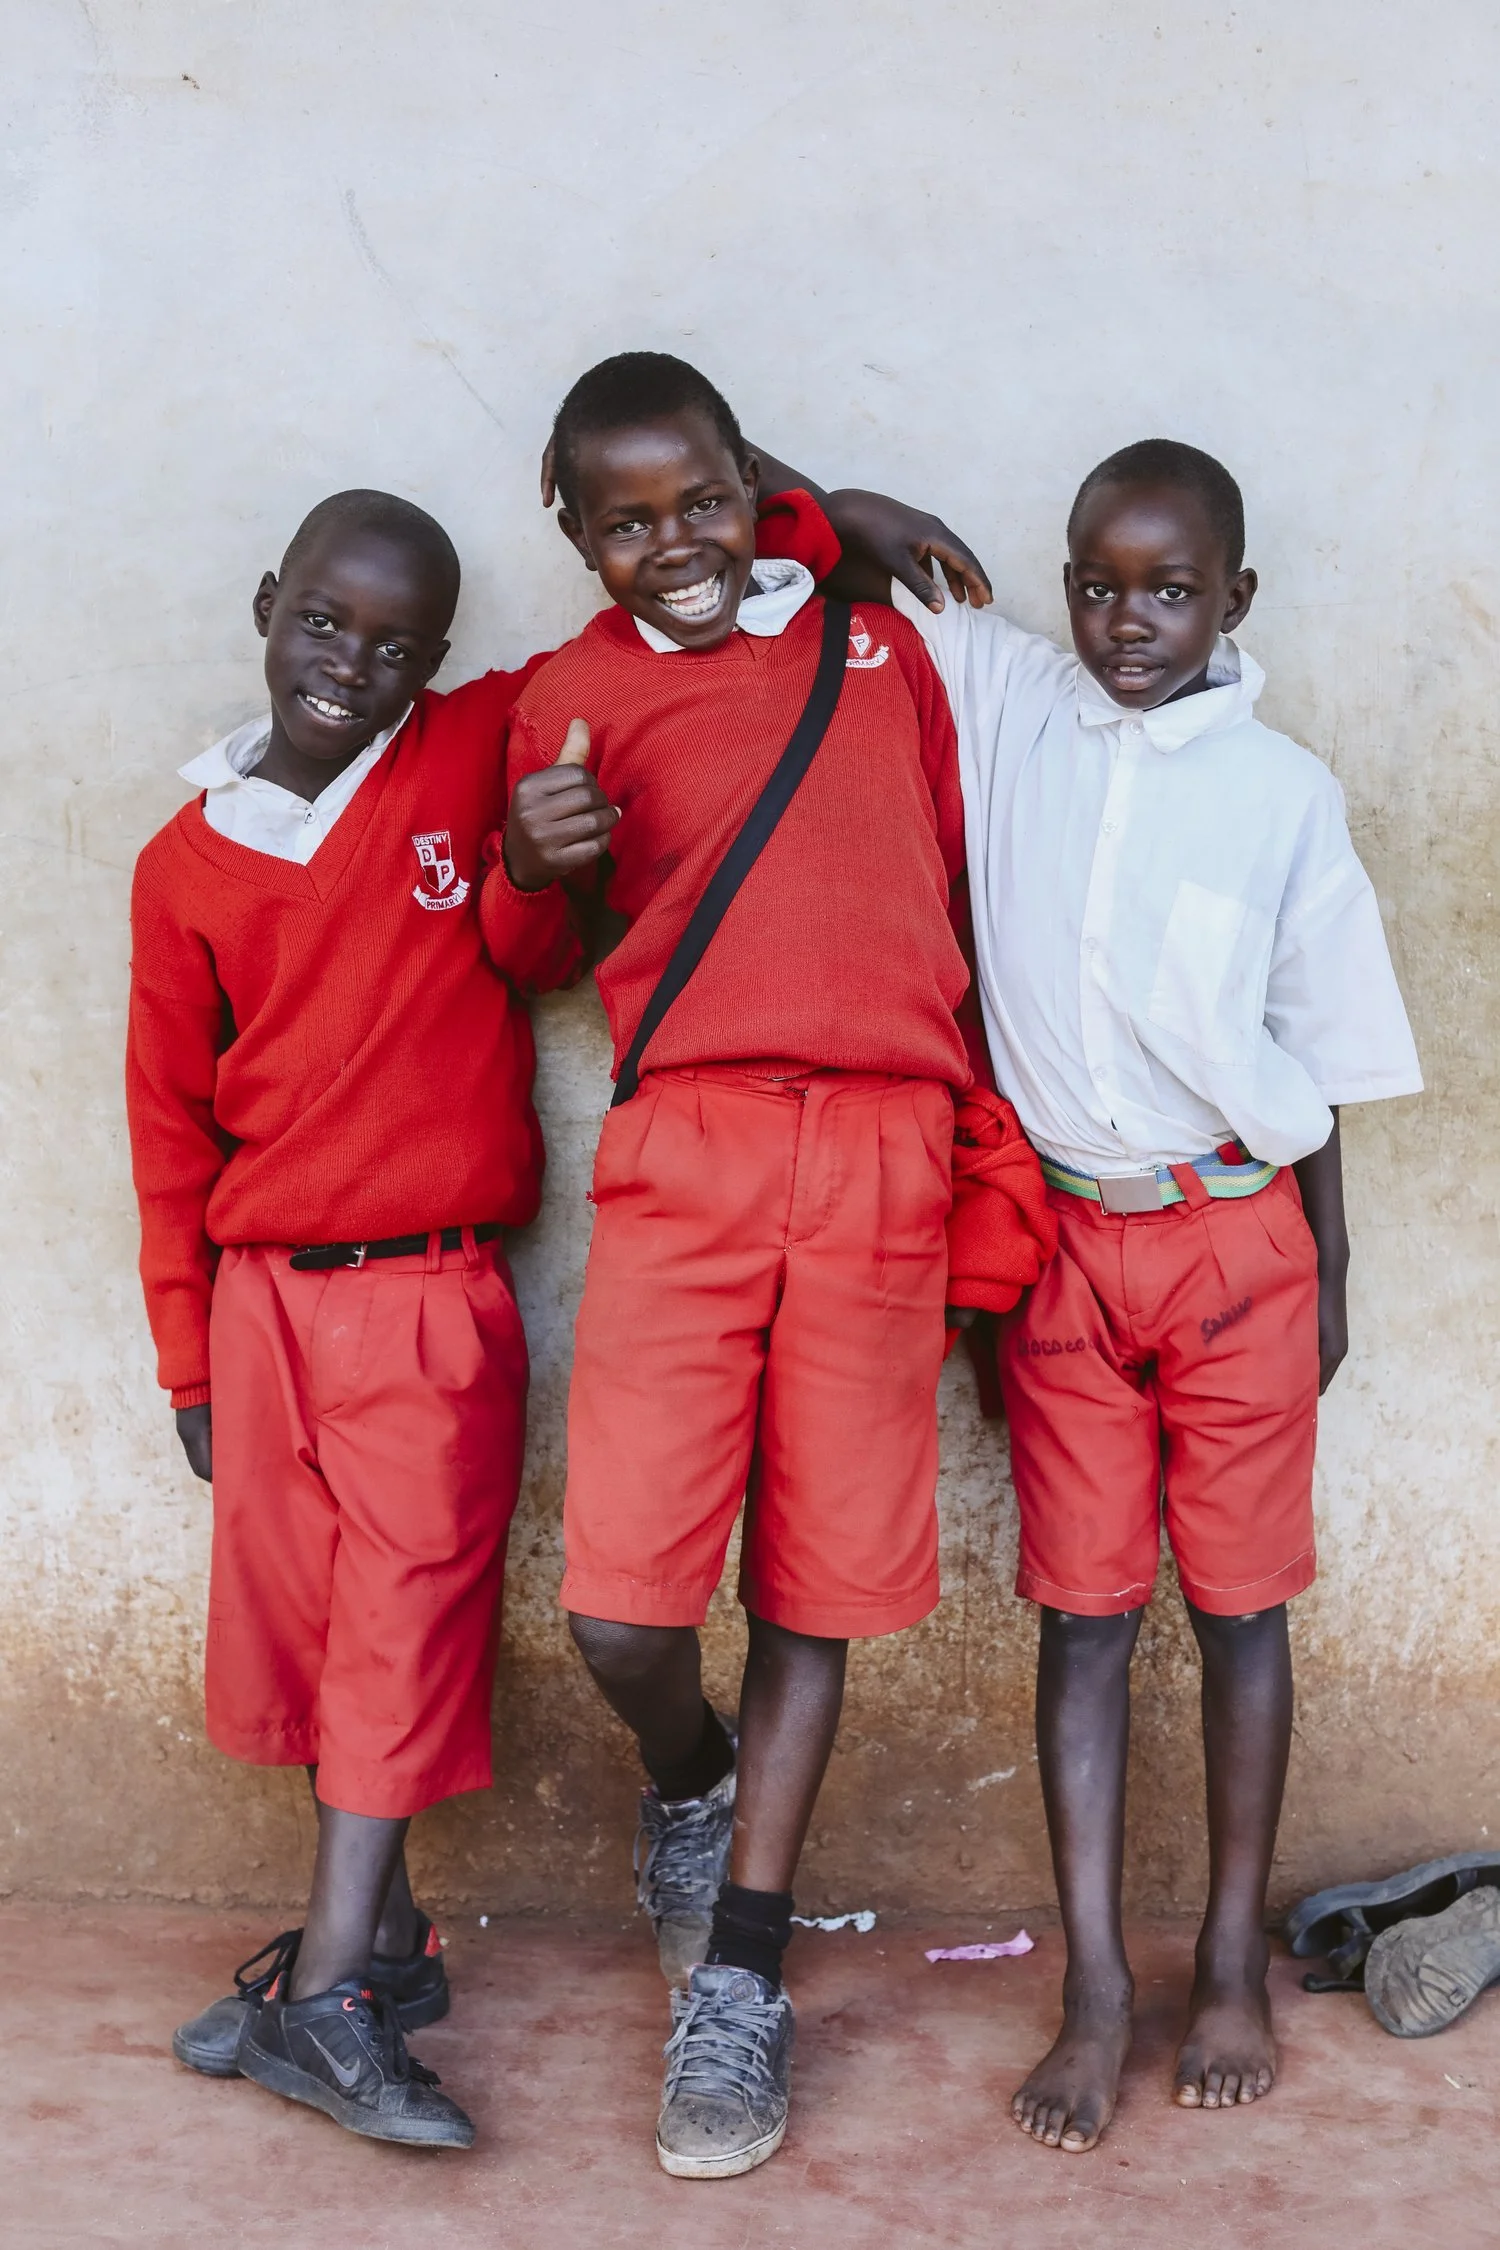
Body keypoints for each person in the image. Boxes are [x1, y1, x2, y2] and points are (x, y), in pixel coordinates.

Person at [127, 469, 1012, 2149]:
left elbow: (667, 542)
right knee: (311, 1629)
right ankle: (375, 1946)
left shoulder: (483, 736)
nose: (348, 663)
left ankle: (328, 1993)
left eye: (395, 644)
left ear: (443, 656)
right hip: (260, 1300)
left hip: (440, 1284)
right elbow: (167, 1128)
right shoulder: (184, 864)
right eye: (319, 621)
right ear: (265, 610)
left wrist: (834, 516)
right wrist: (187, 1353)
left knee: (407, 1622)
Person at [482, 351, 1053, 2180]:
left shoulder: (870, 639)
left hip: (884, 1149)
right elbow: (531, 948)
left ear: (759, 483)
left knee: (816, 1579)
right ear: (573, 537)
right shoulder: (565, 699)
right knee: (622, 1612)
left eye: (707, 501)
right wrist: (525, 862)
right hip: (695, 1150)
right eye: (628, 521)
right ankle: (685, 1775)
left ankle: (744, 1965)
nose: (678, 542)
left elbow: (960, 854)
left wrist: (828, 515)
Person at [867, 438, 1422, 2152]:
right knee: (1082, 1614)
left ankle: (1231, 1961)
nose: (1127, 620)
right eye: (1097, 583)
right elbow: (794, 521)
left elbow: (1321, 1068)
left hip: (1236, 1237)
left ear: (1234, 602)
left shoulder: (1284, 793)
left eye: (1169, 590)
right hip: (1061, 1250)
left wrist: (1325, 1271)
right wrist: (879, 514)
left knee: (1243, 1607)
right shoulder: (1015, 699)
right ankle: (1096, 1978)